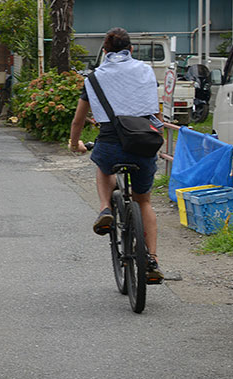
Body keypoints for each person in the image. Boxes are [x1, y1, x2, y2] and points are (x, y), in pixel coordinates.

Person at [69, 27, 164, 282]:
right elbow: (156, 113)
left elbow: (78, 120)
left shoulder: (94, 78)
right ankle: (152, 260)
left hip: (111, 141)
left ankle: (104, 209)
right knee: (144, 201)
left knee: (103, 165)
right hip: (144, 142)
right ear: (131, 50)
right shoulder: (146, 71)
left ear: (104, 51)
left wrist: (74, 143)